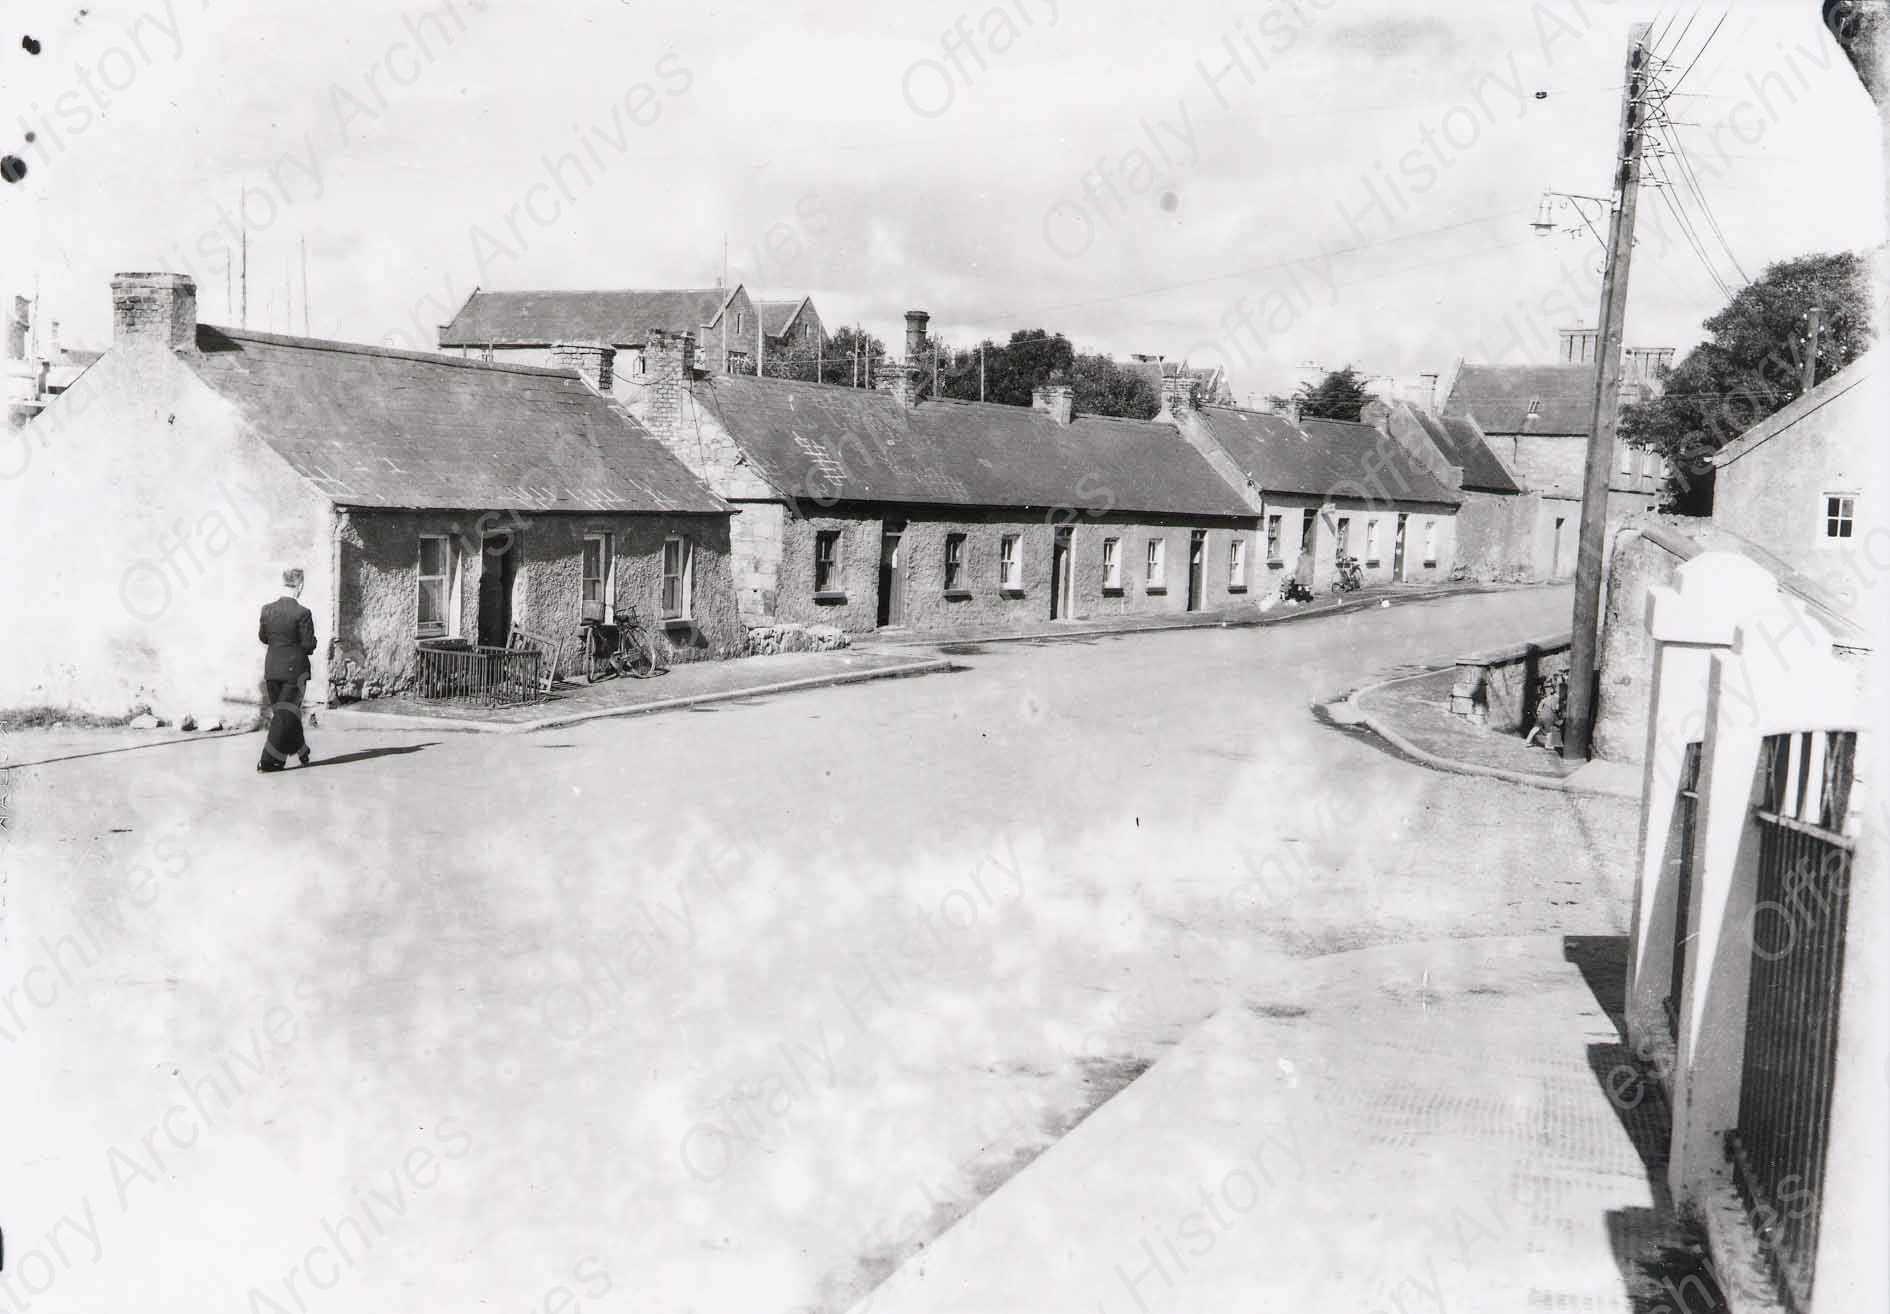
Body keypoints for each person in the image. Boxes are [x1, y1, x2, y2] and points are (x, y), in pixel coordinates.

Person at [257, 568, 317, 773]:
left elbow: (263, 637)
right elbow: (308, 646)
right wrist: (310, 641)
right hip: (295, 673)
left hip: (272, 669)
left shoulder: (266, 610)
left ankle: (301, 750)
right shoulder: (302, 613)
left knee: (285, 713)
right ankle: (269, 760)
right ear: (299, 585)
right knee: (284, 714)